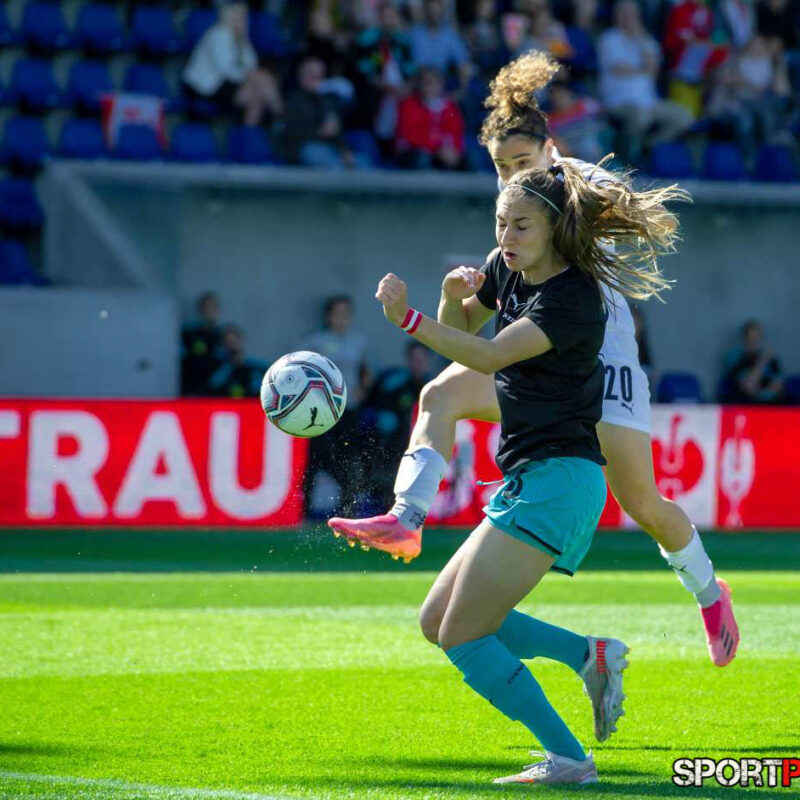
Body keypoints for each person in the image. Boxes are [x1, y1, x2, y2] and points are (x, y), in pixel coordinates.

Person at [329, 52, 740, 669]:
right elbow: (474, 328)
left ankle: (710, 594)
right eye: (500, 167)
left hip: (605, 365)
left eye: (522, 163)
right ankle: (406, 517)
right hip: (540, 365)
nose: (510, 176)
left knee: (642, 503)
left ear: (551, 150)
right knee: (439, 395)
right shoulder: (518, 215)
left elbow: (620, 209)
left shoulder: (577, 189)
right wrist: (452, 296)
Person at [363, 163, 685, 785]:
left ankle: (570, 760)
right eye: (500, 222)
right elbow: (463, 332)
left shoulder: (575, 299)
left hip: (560, 482)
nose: (506, 236)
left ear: (555, 229)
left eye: (521, 225)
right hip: (530, 480)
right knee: (437, 622)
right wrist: (449, 298)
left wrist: (406, 320)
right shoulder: (508, 266)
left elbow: (487, 355)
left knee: (463, 635)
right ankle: (587, 654)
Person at [598, 0, 693, 164]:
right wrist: (644, 68)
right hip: (619, 102)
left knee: (683, 117)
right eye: (624, 14)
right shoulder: (609, 38)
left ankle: (648, 145)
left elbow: (654, 69)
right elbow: (620, 69)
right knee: (641, 117)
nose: (628, 18)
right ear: (616, 16)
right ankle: (627, 158)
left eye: (632, 14)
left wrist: (640, 39)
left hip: (649, 102)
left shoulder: (646, 40)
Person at [302, 295, 370, 517]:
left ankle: (347, 509)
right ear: (328, 316)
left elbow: (364, 369)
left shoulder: (358, 341)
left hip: (349, 410)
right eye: (337, 313)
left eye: (346, 313)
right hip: (322, 412)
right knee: (317, 458)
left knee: (348, 457)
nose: (342, 318)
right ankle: (304, 509)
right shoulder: (315, 341)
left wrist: (363, 389)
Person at [183, 1, 283, 126]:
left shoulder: (241, 38)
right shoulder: (219, 34)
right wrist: (250, 76)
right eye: (237, 15)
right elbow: (225, 70)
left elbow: (253, 64)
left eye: (244, 16)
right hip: (204, 87)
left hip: (227, 83)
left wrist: (251, 74)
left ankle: (249, 134)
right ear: (228, 16)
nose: (241, 19)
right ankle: (281, 115)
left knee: (257, 98)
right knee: (260, 81)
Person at [361, 341, 433, 510]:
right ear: (408, 361)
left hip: (426, 447)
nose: (418, 364)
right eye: (414, 360)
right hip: (396, 447)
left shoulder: (435, 387)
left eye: (421, 360)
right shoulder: (395, 385)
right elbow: (375, 407)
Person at [282, 57, 362, 168]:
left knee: (363, 162)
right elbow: (292, 134)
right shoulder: (293, 100)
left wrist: (344, 151)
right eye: (311, 73)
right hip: (304, 149)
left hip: (330, 149)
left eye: (320, 73)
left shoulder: (328, 99)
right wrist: (320, 133)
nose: (316, 77)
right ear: (301, 76)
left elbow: (336, 132)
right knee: (321, 157)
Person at [395, 67, 466, 169]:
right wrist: (436, 148)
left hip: (444, 153)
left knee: (468, 158)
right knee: (422, 157)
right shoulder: (409, 105)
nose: (429, 87)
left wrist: (453, 149)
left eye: (434, 83)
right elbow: (409, 134)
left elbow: (456, 132)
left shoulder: (450, 107)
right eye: (426, 83)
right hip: (416, 151)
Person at [720, 319, 785, 403]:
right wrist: (762, 361)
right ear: (745, 338)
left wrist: (764, 389)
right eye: (751, 337)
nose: (755, 341)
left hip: (772, 402)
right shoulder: (735, 356)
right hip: (745, 402)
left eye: (757, 337)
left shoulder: (770, 357)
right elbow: (748, 386)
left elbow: (778, 385)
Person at [181, 291, 224, 396]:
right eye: (206, 307)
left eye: (212, 308)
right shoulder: (189, 334)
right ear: (200, 310)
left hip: (217, 390)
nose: (209, 311)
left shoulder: (222, 336)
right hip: (193, 388)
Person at [207, 324, 267, 398]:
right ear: (223, 343)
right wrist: (229, 366)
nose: (230, 345)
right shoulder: (218, 368)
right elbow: (213, 386)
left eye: (232, 341)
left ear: (240, 341)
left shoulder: (255, 366)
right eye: (227, 342)